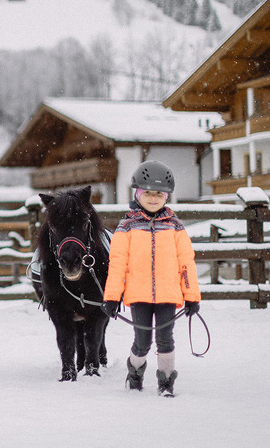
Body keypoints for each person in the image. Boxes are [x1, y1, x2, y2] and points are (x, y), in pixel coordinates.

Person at [100, 160, 201, 397]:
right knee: (142, 342)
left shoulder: (175, 227)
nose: (153, 198)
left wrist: (192, 296)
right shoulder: (126, 227)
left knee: (166, 340)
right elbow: (117, 265)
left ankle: (166, 381)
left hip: (168, 295)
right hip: (138, 296)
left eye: (159, 194)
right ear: (138, 193)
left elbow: (186, 263)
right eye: (148, 193)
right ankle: (135, 371)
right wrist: (112, 297)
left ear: (166, 197)